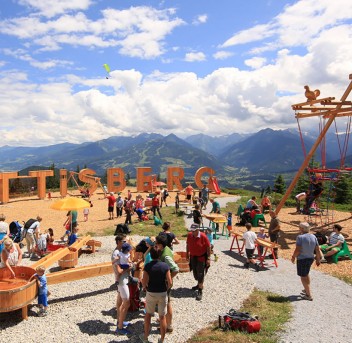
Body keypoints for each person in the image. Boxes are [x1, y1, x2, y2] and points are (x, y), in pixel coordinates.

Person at [140, 247, 172, 343]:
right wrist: (166, 289)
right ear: (160, 254)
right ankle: (161, 339)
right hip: (162, 293)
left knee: (148, 314)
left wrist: (145, 288)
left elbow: (144, 282)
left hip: (151, 293)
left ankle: (145, 337)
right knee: (162, 317)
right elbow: (170, 282)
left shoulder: (148, 266)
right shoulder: (165, 266)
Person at [155, 234, 179, 333]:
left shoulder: (165, 255)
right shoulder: (167, 249)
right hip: (165, 282)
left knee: (167, 303)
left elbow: (176, 269)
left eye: (156, 244)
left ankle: (168, 326)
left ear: (160, 245)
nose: (155, 245)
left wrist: (167, 280)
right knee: (164, 303)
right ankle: (164, 320)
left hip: (165, 283)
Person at [291, 222, 321, 301]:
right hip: (310, 258)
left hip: (302, 259)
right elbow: (317, 249)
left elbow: (298, 249)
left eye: (299, 227)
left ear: (302, 229)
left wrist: (293, 256)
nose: (299, 228)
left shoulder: (300, 237)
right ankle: (306, 289)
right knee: (306, 274)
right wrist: (318, 259)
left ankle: (308, 295)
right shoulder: (313, 236)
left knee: (303, 276)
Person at [112, 235, 133, 336]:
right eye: (124, 241)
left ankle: (120, 321)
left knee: (120, 301)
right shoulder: (116, 254)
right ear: (119, 242)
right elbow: (119, 270)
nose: (125, 242)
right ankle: (119, 327)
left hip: (123, 280)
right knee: (126, 302)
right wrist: (128, 268)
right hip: (121, 281)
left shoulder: (121, 252)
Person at [186, 223, 211, 301]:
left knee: (200, 273)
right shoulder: (189, 235)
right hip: (193, 257)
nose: (192, 232)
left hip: (201, 258)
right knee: (195, 273)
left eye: (194, 231)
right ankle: (199, 284)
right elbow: (188, 245)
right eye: (191, 230)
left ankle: (200, 290)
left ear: (198, 230)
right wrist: (187, 254)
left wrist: (208, 258)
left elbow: (208, 247)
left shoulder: (203, 236)